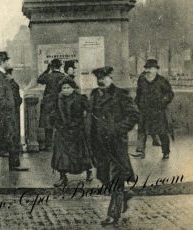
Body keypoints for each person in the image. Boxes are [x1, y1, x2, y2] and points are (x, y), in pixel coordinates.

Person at [88, 66, 139, 226]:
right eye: (99, 78)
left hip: (116, 144)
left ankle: (113, 214)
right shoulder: (94, 95)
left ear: (111, 77)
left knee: (116, 178)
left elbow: (134, 115)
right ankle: (124, 194)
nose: (101, 81)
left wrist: (117, 129)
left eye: (104, 78)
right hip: (99, 144)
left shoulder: (121, 95)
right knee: (103, 176)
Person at [50, 76, 92, 187]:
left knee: (81, 153)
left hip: (77, 130)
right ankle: (62, 177)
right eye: (63, 88)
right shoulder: (58, 99)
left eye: (68, 87)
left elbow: (89, 109)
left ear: (73, 88)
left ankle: (89, 172)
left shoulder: (79, 98)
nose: (66, 90)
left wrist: (83, 122)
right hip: (62, 131)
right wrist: (56, 122)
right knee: (61, 154)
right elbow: (53, 113)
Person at [131, 59, 174, 160]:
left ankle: (166, 151)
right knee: (142, 130)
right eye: (146, 68)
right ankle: (140, 151)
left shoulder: (162, 81)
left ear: (156, 70)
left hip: (158, 111)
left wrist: (163, 101)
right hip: (144, 110)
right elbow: (139, 93)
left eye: (150, 68)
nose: (148, 71)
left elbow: (170, 94)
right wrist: (136, 104)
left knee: (162, 132)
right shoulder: (141, 80)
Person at [37, 58, 66, 151]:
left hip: (49, 103)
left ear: (52, 66)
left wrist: (46, 70)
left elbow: (39, 80)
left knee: (48, 125)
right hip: (60, 103)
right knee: (60, 124)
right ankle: (61, 145)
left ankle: (48, 145)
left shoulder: (48, 76)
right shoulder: (63, 76)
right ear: (60, 66)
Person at [5, 68, 23, 156]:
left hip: (11, 112)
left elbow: (15, 99)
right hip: (13, 112)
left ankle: (12, 149)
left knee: (11, 131)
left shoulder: (11, 85)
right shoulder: (14, 84)